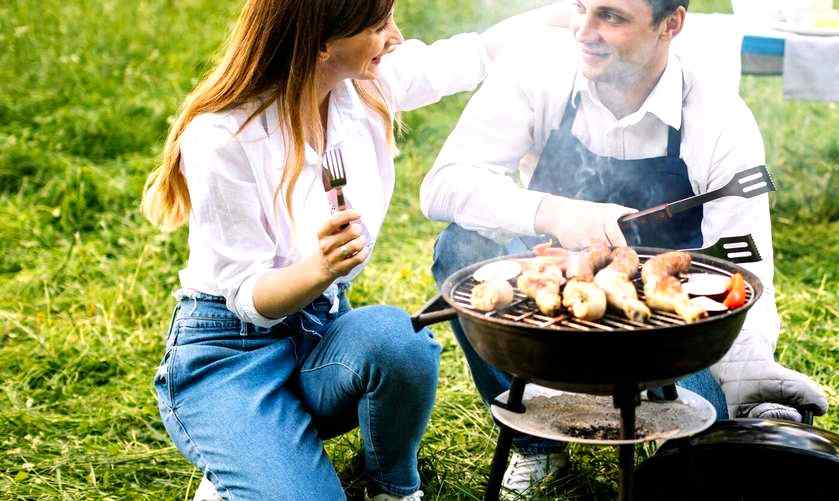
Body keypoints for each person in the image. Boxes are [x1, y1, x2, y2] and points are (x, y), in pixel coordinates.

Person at [140, 1, 569, 499]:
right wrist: (319, 269)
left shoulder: (361, 85)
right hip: (231, 352)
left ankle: (390, 487)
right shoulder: (223, 136)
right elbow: (248, 297)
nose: (395, 36)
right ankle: (246, 454)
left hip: (318, 332)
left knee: (400, 341)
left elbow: (476, 53)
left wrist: (573, 14)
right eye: (377, 24)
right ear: (323, 43)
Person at [420, 0, 829, 495]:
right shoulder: (537, 73)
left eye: (611, 17)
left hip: (664, 337)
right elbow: (442, 186)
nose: (584, 32)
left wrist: (752, 378)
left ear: (670, 24)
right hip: (551, 313)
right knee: (461, 250)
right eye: (581, 8)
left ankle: (675, 443)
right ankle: (539, 450)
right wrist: (559, 214)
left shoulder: (717, 118)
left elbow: (744, 265)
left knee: (702, 462)